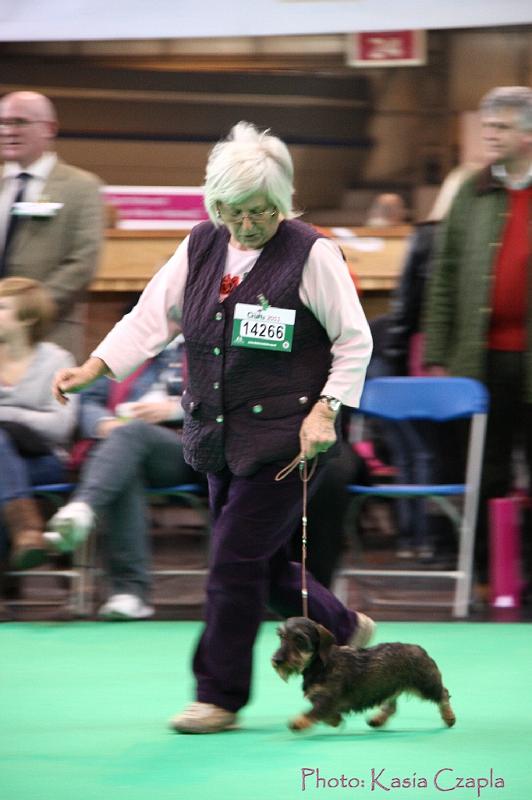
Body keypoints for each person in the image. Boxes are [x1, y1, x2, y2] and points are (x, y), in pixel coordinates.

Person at [51, 121, 374, 733]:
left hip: (289, 440)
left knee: (231, 562)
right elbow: (150, 319)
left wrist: (326, 410)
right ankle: (342, 626)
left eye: (262, 212)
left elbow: (354, 341)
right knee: (258, 562)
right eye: (235, 212)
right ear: (215, 204)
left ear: (282, 204)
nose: (248, 224)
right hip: (215, 437)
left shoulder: (313, 253)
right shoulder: (200, 245)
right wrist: (93, 368)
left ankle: (218, 696)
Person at [423, 86, 532, 585]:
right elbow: (444, 273)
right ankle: (493, 577)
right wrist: (441, 352)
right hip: (480, 359)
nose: (490, 135)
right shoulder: (472, 190)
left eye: (501, 127)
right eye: (486, 126)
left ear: (528, 134)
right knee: (486, 474)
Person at [45, 335, 204, 621]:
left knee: (129, 436)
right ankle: (129, 595)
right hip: (125, 446)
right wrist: (103, 423)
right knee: (123, 460)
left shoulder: (207, 338)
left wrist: (172, 409)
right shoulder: (133, 341)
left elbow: (225, 394)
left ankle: (84, 507)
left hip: (190, 449)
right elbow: (90, 398)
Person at [0, 91, 104, 361]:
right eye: (3, 122)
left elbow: (83, 263)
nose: (8, 131)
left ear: (49, 129)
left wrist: (23, 311)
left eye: (19, 122)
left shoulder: (81, 187)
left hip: (49, 333)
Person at [0, 277, 78, 620]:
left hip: (44, 460)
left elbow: (60, 426)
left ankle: (21, 544)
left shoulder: (57, 362)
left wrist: (8, 417)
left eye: (2, 307)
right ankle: (26, 533)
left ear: (28, 317)